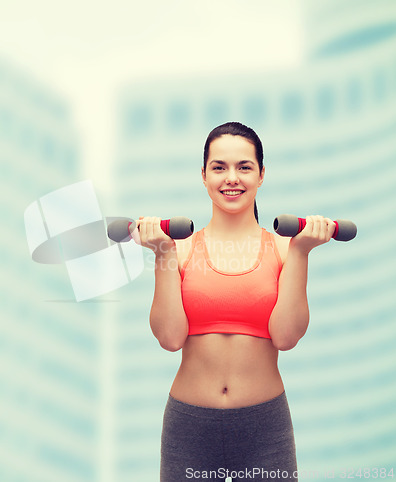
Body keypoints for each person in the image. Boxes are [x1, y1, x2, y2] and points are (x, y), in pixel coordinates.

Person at [132, 122, 336, 482]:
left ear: (261, 175)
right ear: (203, 175)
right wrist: (162, 250)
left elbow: (286, 337)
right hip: (190, 427)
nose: (232, 178)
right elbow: (169, 338)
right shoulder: (177, 249)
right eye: (219, 167)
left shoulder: (285, 248)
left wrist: (302, 251)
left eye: (244, 167)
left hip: (264, 427)